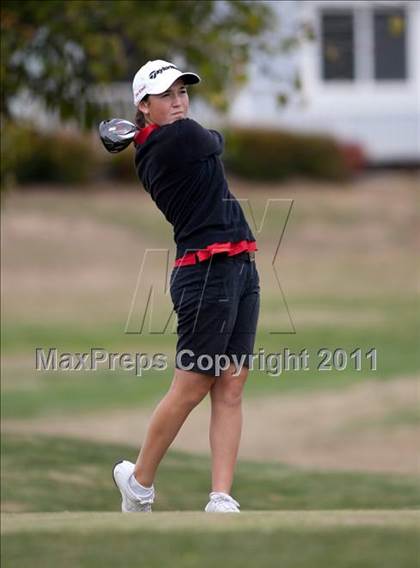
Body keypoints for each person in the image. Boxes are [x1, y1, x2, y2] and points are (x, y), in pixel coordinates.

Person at [112, 59, 260, 513]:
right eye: (167, 96)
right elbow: (215, 140)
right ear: (144, 105)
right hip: (205, 273)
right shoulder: (179, 137)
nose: (178, 102)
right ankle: (138, 483)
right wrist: (147, 132)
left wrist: (141, 131)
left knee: (231, 384)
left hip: (239, 265)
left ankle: (221, 496)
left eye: (182, 93)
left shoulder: (156, 140)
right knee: (194, 385)